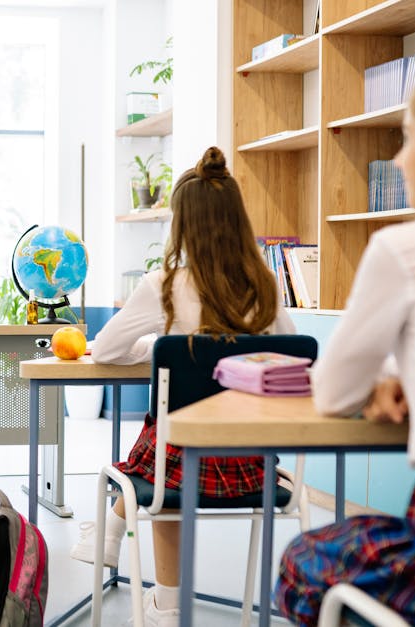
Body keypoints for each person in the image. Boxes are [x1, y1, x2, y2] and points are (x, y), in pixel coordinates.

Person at [273, 54, 415, 627]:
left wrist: (384, 377)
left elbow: (333, 391)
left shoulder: (408, 250)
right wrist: (404, 366)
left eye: (407, 138)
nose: (397, 158)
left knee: (303, 563)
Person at [71, 147, 296, 626]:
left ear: (182, 225)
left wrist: (160, 350)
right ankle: (108, 537)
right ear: (237, 220)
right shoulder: (266, 284)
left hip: (178, 462)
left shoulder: (165, 285)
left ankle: (164, 602)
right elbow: (291, 358)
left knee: (166, 441)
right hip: (254, 463)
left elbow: (108, 349)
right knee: (167, 440)